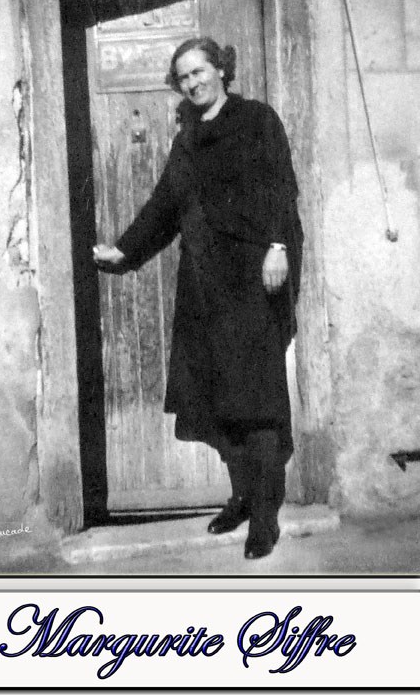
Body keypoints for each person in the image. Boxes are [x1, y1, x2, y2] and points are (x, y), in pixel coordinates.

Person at [93, 37, 303, 559]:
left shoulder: (257, 120)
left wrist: (278, 246)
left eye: (199, 71)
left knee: (256, 400)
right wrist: (125, 249)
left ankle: (264, 518)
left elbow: (282, 186)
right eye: (183, 77)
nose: (192, 83)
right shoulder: (186, 138)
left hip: (253, 278)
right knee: (217, 398)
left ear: (221, 70)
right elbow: (165, 205)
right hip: (204, 283)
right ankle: (242, 497)